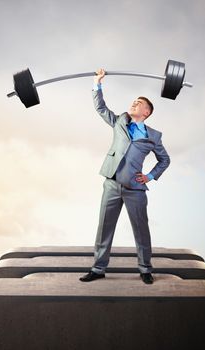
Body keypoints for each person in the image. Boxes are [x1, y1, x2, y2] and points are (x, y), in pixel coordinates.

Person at [79, 68, 171, 285]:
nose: (134, 103)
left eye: (139, 103)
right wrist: (97, 83)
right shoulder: (120, 121)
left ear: (147, 112)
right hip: (111, 183)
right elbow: (100, 108)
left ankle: (145, 269)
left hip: (135, 189)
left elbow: (165, 160)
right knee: (104, 227)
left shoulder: (154, 136)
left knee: (141, 229)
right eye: (134, 101)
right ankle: (98, 268)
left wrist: (150, 176)